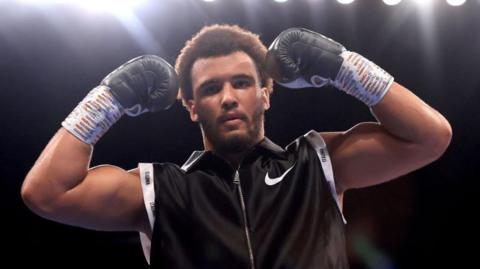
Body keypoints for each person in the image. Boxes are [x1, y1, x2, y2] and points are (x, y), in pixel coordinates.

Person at [21, 24, 452, 269]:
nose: (228, 97)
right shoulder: (159, 188)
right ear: (191, 106)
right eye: (211, 88)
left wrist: (344, 67)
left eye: (242, 83)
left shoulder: (317, 162)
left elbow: (430, 136)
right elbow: (46, 193)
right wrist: (108, 100)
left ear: (265, 94)